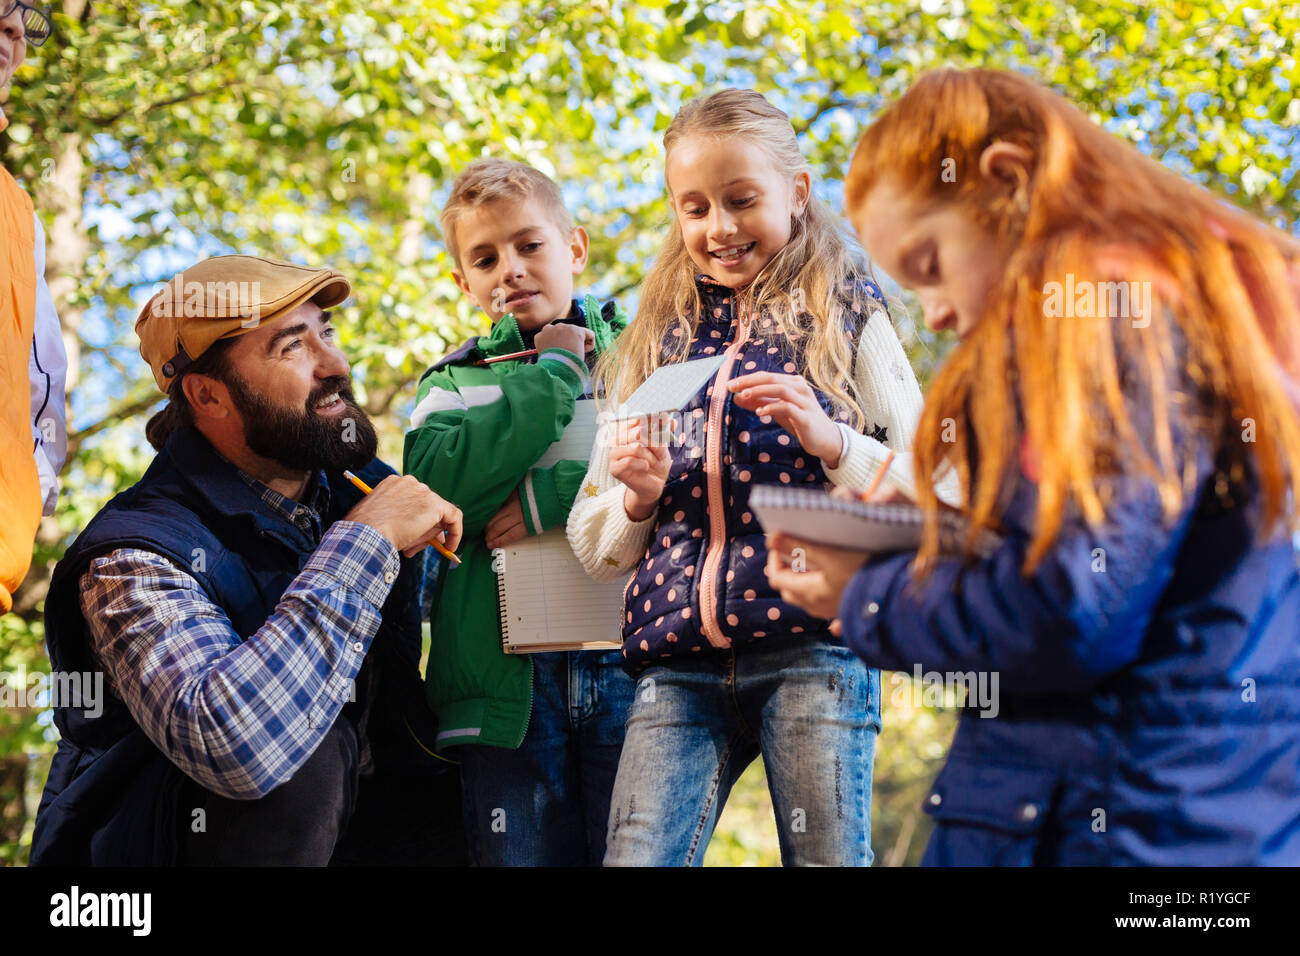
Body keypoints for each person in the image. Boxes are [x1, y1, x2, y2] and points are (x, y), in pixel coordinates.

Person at [767, 67, 1300, 865]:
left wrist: (865, 591)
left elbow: (1067, 611)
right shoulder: (1224, 309)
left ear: (1008, 182)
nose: (937, 312)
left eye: (930, 263)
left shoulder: (1105, 325)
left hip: (1100, 821)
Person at [568, 89, 927, 866]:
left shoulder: (847, 313)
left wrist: (833, 443)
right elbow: (594, 542)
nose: (719, 228)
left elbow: (925, 492)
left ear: (796, 192)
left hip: (815, 649)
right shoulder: (656, 341)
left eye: (742, 200)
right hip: (674, 665)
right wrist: (637, 497)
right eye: (694, 208)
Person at [31, 255, 467, 865]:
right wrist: (364, 543)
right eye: (292, 348)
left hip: (361, 838)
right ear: (208, 394)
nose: (336, 365)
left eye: (328, 333)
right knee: (303, 759)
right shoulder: (133, 554)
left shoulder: (357, 493)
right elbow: (236, 744)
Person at [403, 158, 635, 865]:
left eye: (530, 245)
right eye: (485, 258)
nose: (511, 269)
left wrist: (546, 497)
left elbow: (679, 466)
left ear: (574, 248)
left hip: (629, 664)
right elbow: (438, 489)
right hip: (506, 690)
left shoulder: (642, 357)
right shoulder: (451, 382)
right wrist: (557, 375)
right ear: (464, 284)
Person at [0, 0, 67, 614]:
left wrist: (34, 492)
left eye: (16, 24)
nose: (15, 34)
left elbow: (38, 369)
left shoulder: (16, 211)